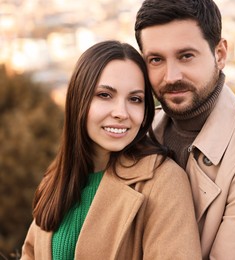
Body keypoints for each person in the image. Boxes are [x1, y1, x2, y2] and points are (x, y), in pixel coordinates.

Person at [134, 1, 235, 259]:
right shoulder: (138, 136)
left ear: (220, 54)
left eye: (186, 56)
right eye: (156, 59)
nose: (171, 76)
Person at [21, 40, 202, 260]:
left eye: (135, 99)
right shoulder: (55, 179)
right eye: (105, 95)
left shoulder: (164, 182)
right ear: (79, 99)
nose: (121, 113)